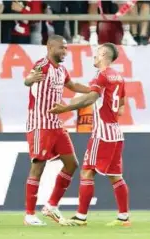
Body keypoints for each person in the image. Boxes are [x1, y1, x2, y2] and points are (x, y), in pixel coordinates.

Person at [49, 43, 130, 227]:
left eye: (97, 52)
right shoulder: (118, 76)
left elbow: (91, 98)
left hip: (102, 133)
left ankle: (81, 217)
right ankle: (124, 217)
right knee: (115, 176)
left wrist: (66, 108)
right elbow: (122, 107)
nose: (94, 55)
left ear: (103, 54)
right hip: (116, 132)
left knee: (87, 171)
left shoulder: (101, 75)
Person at [23, 34, 90, 226]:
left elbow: (72, 85)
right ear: (50, 46)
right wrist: (29, 79)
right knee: (38, 167)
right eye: (61, 48)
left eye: (66, 48)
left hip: (56, 124)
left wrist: (94, 89)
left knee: (72, 164)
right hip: (40, 123)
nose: (65, 52)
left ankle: (51, 205)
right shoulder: (42, 65)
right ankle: (29, 214)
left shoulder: (61, 70)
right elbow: (29, 79)